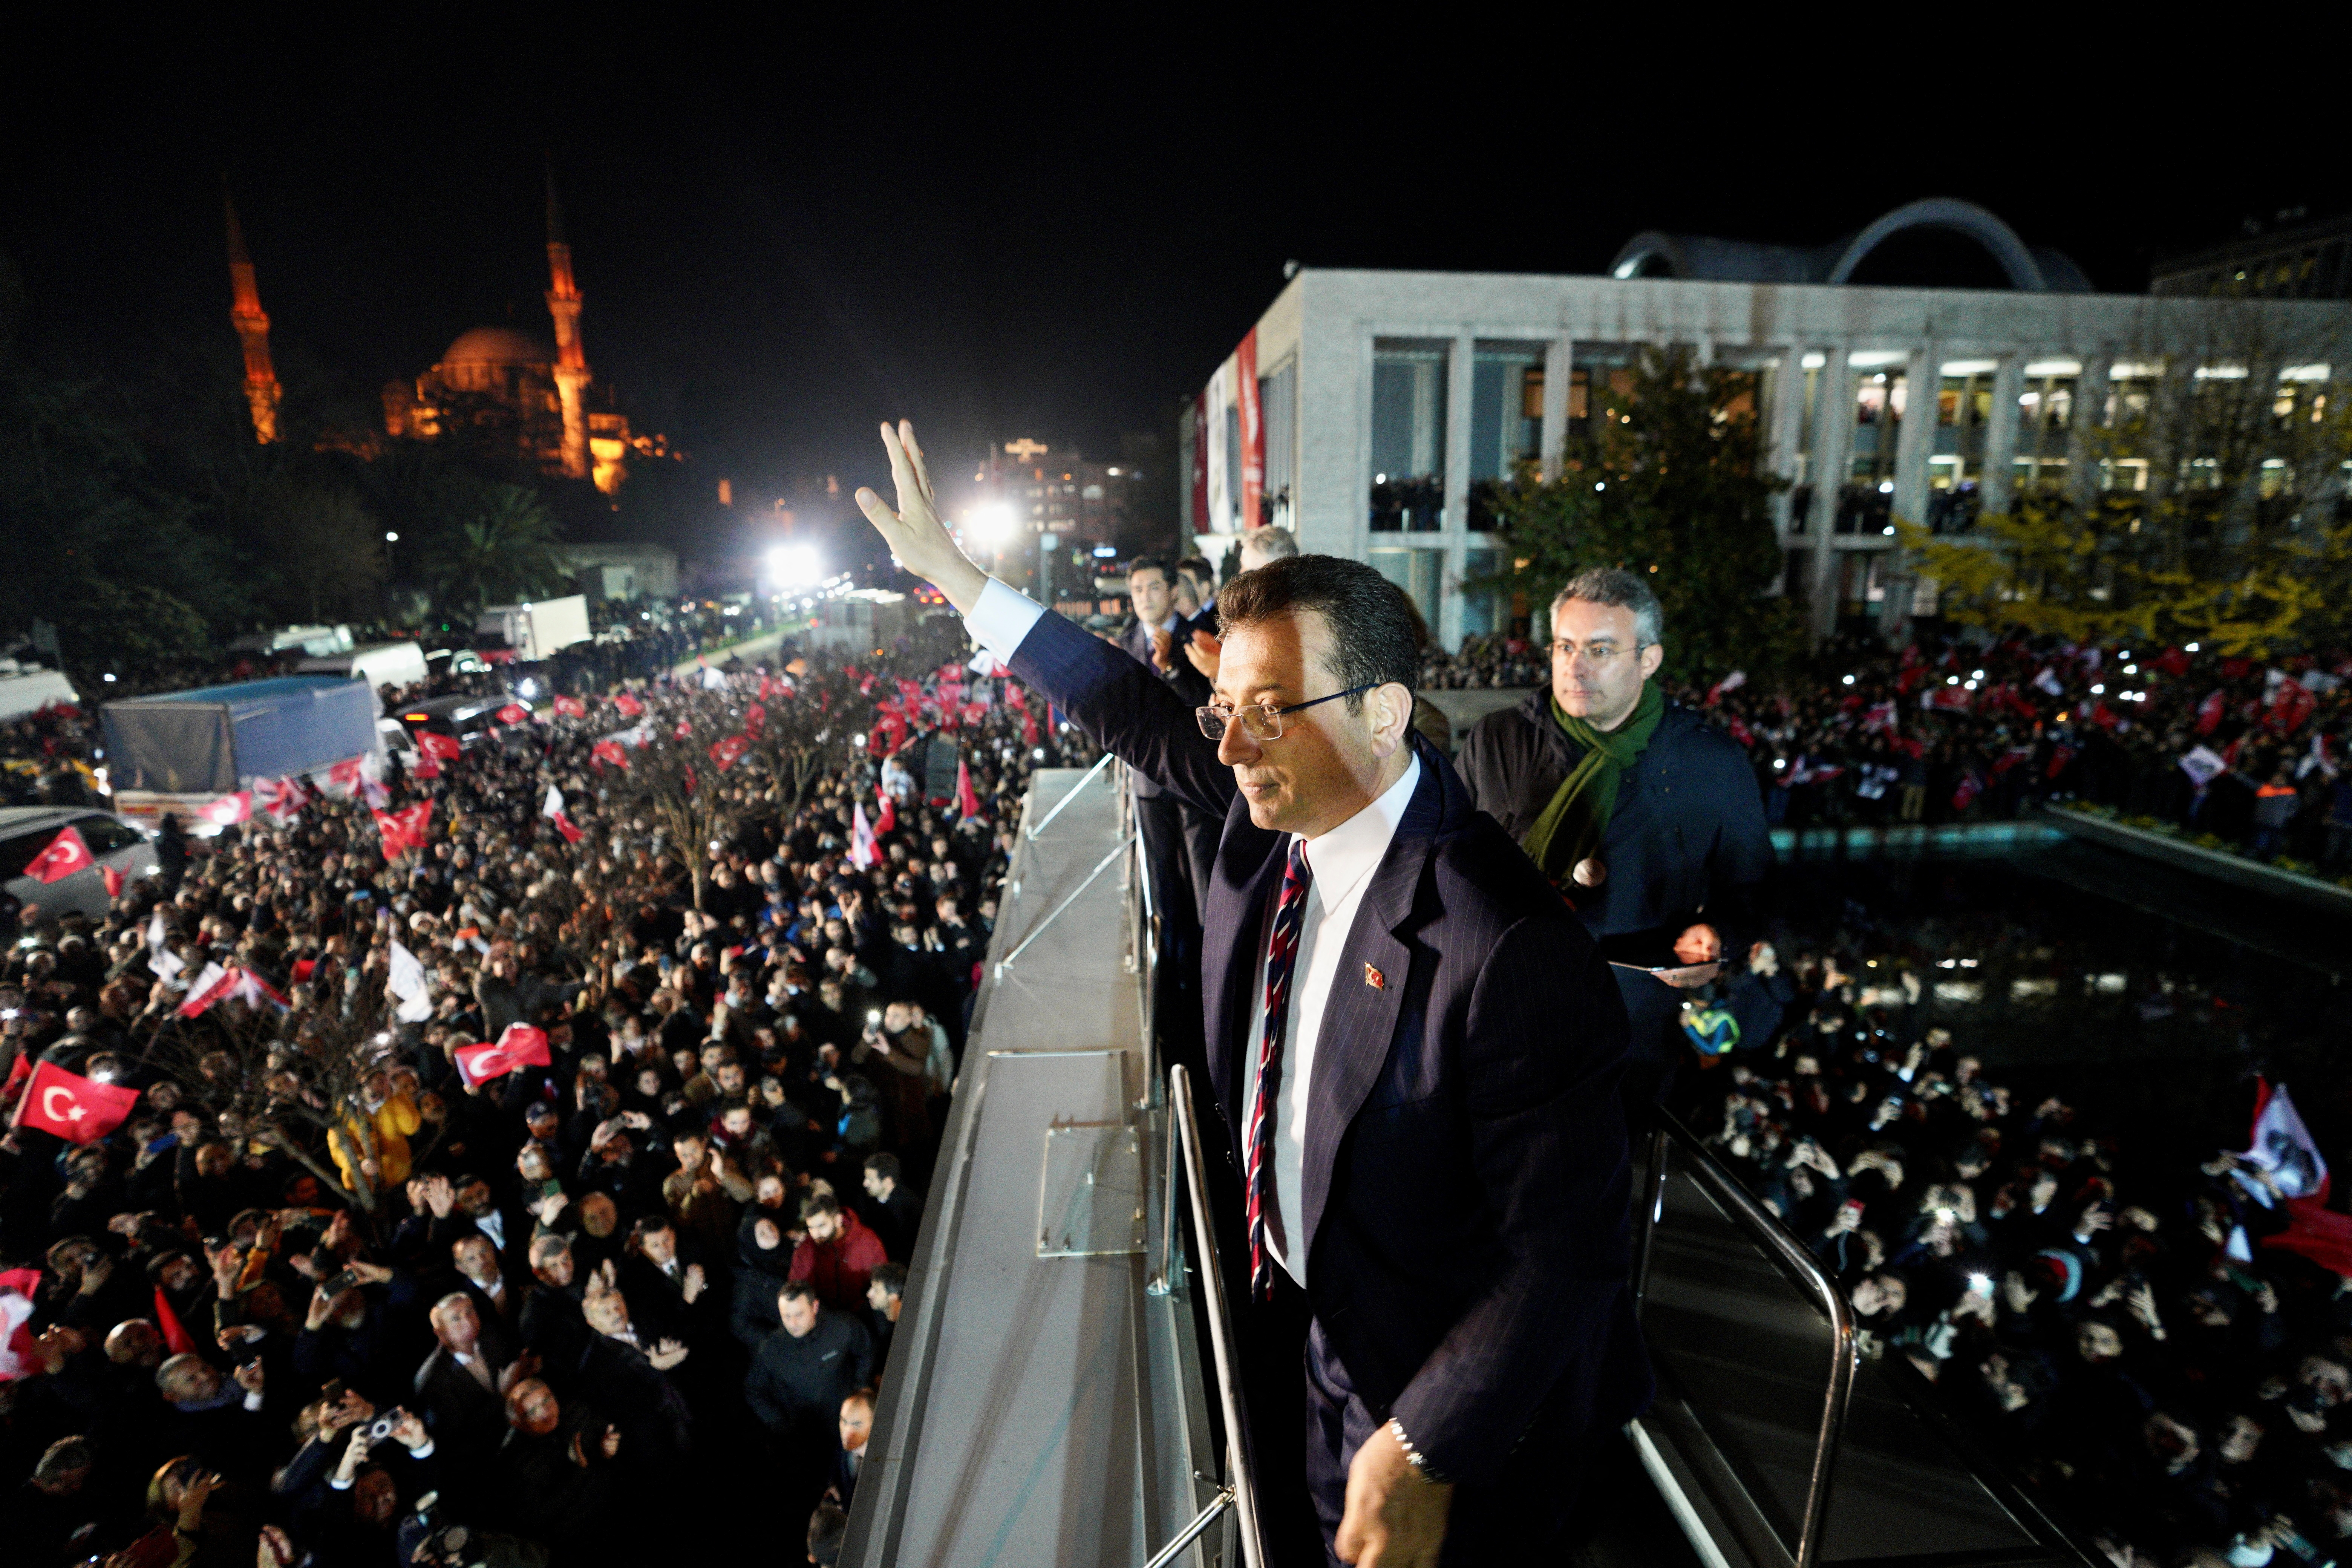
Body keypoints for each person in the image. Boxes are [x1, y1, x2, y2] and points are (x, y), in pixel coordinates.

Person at [857, 421, 1649, 1565]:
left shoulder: (1504, 945)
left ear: (1381, 712)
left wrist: (1423, 1442)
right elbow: (1130, 707)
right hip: (1297, 1320)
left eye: (1269, 707)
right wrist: (960, 581)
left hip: (1438, 1403)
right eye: (1225, 707)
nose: (1229, 746)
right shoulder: (1267, 805)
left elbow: (1566, 1252)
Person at [1457, 568, 1772, 1109]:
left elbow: (1754, 889)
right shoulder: (1499, 739)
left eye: (1600, 651)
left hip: (1631, 1033)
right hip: (1503, 1014)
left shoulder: (1710, 762)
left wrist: (1716, 939)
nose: (1575, 667)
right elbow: (1448, 856)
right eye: (1564, 647)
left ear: (1648, 660)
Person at [1118, 555, 1219, 959]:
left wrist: (1173, 670)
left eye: (1154, 588)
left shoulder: (1202, 638)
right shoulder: (1125, 643)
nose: (1145, 597)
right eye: (1138, 589)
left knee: (1205, 883)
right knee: (1161, 887)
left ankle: (1213, 966)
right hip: (1147, 780)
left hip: (1195, 777)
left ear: (1174, 591)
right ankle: (1168, 972)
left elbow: (1211, 707)